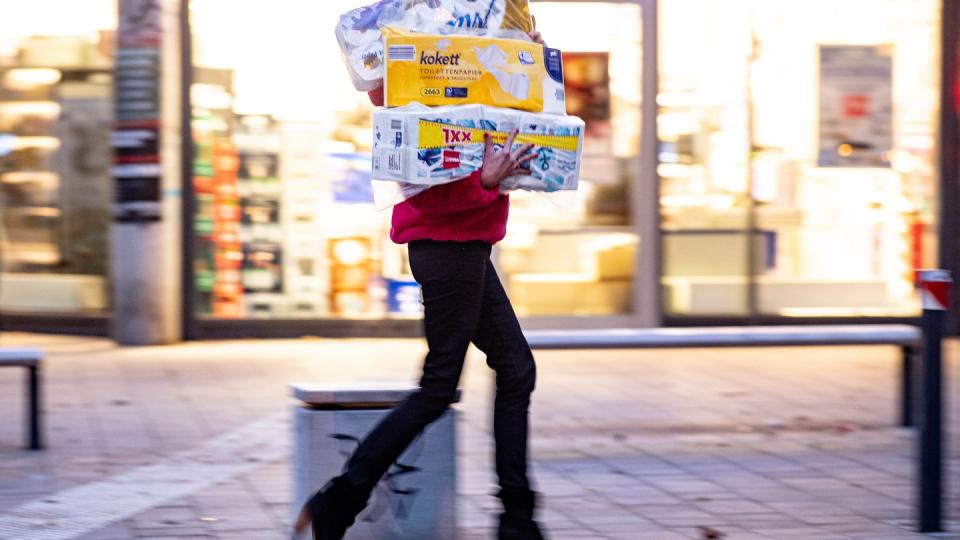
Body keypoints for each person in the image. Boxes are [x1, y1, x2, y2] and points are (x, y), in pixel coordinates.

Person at [293, 24, 548, 540]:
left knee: (515, 368)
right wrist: (484, 183)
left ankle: (517, 519)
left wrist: (529, 64)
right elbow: (424, 190)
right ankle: (340, 499)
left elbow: (507, 132)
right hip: (445, 248)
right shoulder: (409, 84)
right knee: (439, 386)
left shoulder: (466, 67)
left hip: (467, 247)